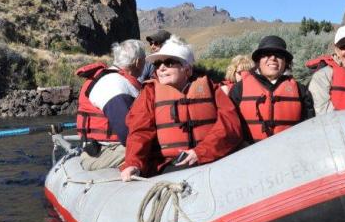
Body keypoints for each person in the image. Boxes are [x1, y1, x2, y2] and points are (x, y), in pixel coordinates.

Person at [120, 36, 242, 180]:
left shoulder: (210, 88)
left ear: (188, 70)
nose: (161, 68)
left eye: (169, 62)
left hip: (209, 159)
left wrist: (200, 152)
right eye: (158, 64)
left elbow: (230, 125)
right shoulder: (149, 93)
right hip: (166, 165)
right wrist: (133, 163)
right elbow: (140, 131)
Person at [75, 39, 146, 170]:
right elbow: (127, 134)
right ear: (137, 62)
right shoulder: (114, 83)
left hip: (104, 149)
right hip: (104, 153)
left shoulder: (111, 79)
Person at [228, 35, 314, 142]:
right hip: (250, 155)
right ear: (258, 61)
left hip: (289, 154)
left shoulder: (301, 91)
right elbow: (229, 127)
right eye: (267, 54)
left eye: (279, 55)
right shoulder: (238, 89)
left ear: (285, 62)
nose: (273, 58)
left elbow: (309, 130)